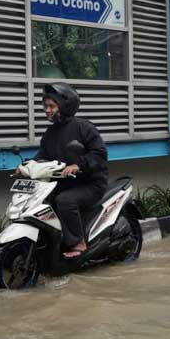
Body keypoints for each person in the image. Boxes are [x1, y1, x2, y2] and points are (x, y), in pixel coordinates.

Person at [32, 83, 108, 259]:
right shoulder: (50, 133)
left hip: (91, 184)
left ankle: (77, 243)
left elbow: (99, 154)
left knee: (64, 200)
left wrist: (78, 165)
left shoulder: (83, 127)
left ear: (64, 106)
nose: (47, 110)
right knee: (43, 202)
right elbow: (42, 155)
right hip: (65, 183)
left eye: (52, 106)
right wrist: (27, 165)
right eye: (46, 106)